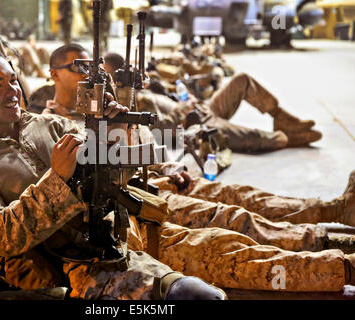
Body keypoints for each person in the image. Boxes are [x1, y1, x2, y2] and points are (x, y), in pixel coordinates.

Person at [42, 43, 355, 292]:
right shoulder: (48, 126)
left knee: (236, 206)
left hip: (146, 188)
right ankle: (332, 245)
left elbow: (140, 148)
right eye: (76, 67)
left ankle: (333, 217)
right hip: (125, 212)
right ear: (53, 74)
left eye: (90, 66)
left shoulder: (106, 106)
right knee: (230, 233)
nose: (86, 74)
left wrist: (141, 141)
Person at [0, 46, 227, 300]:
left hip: (116, 238)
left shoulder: (50, 126)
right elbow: (0, 237)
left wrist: (113, 131)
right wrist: (57, 179)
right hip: (70, 270)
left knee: (212, 272)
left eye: (13, 80)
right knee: (191, 295)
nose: (12, 91)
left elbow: (113, 174)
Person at [102, 52, 322, 153]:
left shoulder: (138, 90)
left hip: (202, 109)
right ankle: (286, 137)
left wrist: (184, 97)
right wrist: (181, 110)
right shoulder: (121, 106)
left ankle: (281, 117)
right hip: (196, 126)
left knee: (242, 80)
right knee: (257, 139)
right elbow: (158, 133)